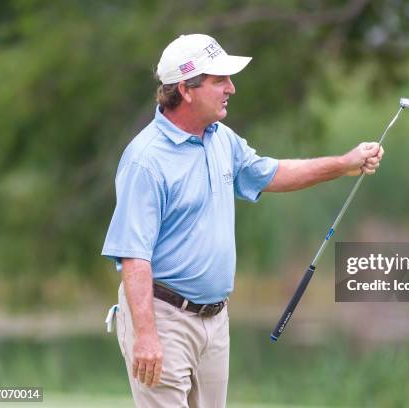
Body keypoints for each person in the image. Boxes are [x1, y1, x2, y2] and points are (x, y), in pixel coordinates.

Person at [102, 33, 383, 408]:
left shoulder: (221, 139)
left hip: (215, 320)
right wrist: (146, 335)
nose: (231, 88)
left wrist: (343, 164)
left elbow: (273, 173)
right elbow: (134, 257)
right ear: (186, 89)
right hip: (163, 318)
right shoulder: (145, 160)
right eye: (220, 81)